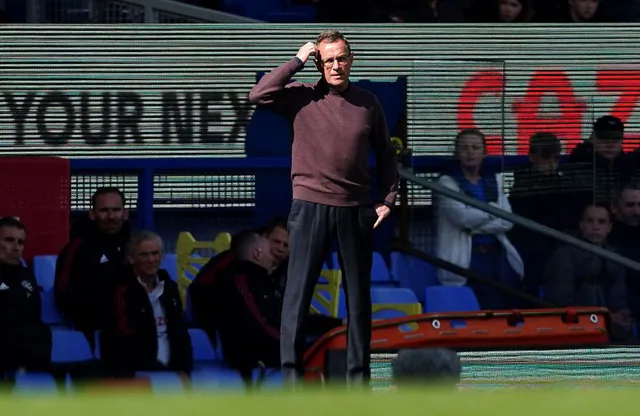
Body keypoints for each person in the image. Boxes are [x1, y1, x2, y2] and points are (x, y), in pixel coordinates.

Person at [249, 29, 399, 386]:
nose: (336, 65)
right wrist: (298, 59)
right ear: (318, 62)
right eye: (328, 59)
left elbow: (387, 153)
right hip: (310, 205)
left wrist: (387, 200)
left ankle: (358, 383)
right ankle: (291, 380)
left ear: (352, 59)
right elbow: (258, 94)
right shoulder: (299, 96)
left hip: (356, 208)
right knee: (297, 295)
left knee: (359, 300)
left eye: (341, 58)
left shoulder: (368, 102)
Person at [435, 129, 524, 310]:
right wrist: (493, 211)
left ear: (484, 153)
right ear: (457, 153)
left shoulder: (494, 180)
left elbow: (507, 220)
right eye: (465, 148)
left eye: (475, 148)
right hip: (469, 256)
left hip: (496, 252)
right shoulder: (447, 182)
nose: (470, 152)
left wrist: (476, 220)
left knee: (512, 295)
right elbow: (463, 219)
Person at [101, 231, 192, 376]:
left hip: (174, 371)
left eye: (155, 253)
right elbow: (123, 339)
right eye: (144, 255)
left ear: (161, 256)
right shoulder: (120, 292)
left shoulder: (170, 288)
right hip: (138, 372)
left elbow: (181, 333)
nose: (151, 259)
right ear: (131, 258)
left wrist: (185, 370)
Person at [54, 187, 131, 343]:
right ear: (92, 214)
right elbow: (64, 298)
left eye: (116, 210)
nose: (110, 216)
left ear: (125, 213)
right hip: (94, 333)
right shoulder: (76, 249)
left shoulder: (134, 247)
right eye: (104, 210)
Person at [0, 217, 52, 376]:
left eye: (20, 242)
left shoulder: (26, 275)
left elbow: (33, 313)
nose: (16, 247)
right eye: (9, 240)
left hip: (30, 354)